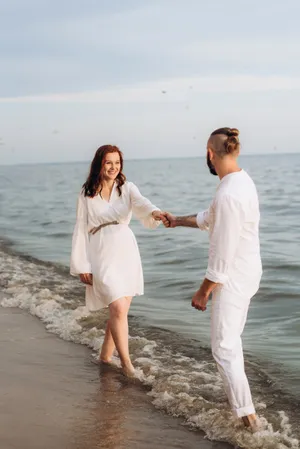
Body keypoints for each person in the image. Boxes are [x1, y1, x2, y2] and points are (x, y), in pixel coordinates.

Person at [161, 128, 262, 431]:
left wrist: (204, 291)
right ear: (236, 151)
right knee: (231, 344)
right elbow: (209, 217)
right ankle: (240, 407)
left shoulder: (230, 192)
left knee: (223, 348)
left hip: (233, 277)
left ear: (209, 153)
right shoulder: (239, 181)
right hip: (246, 272)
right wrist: (177, 220)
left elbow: (222, 253)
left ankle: (249, 421)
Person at [70, 145, 163, 377]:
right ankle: (127, 364)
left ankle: (105, 355)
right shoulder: (87, 192)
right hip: (100, 250)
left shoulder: (127, 188)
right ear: (100, 164)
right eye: (109, 162)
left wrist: (155, 213)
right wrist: (82, 264)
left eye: (117, 163)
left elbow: (143, 204)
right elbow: (80, 228)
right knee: (118, 307)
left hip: (125, 249)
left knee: (119, 310)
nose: (113, 167)